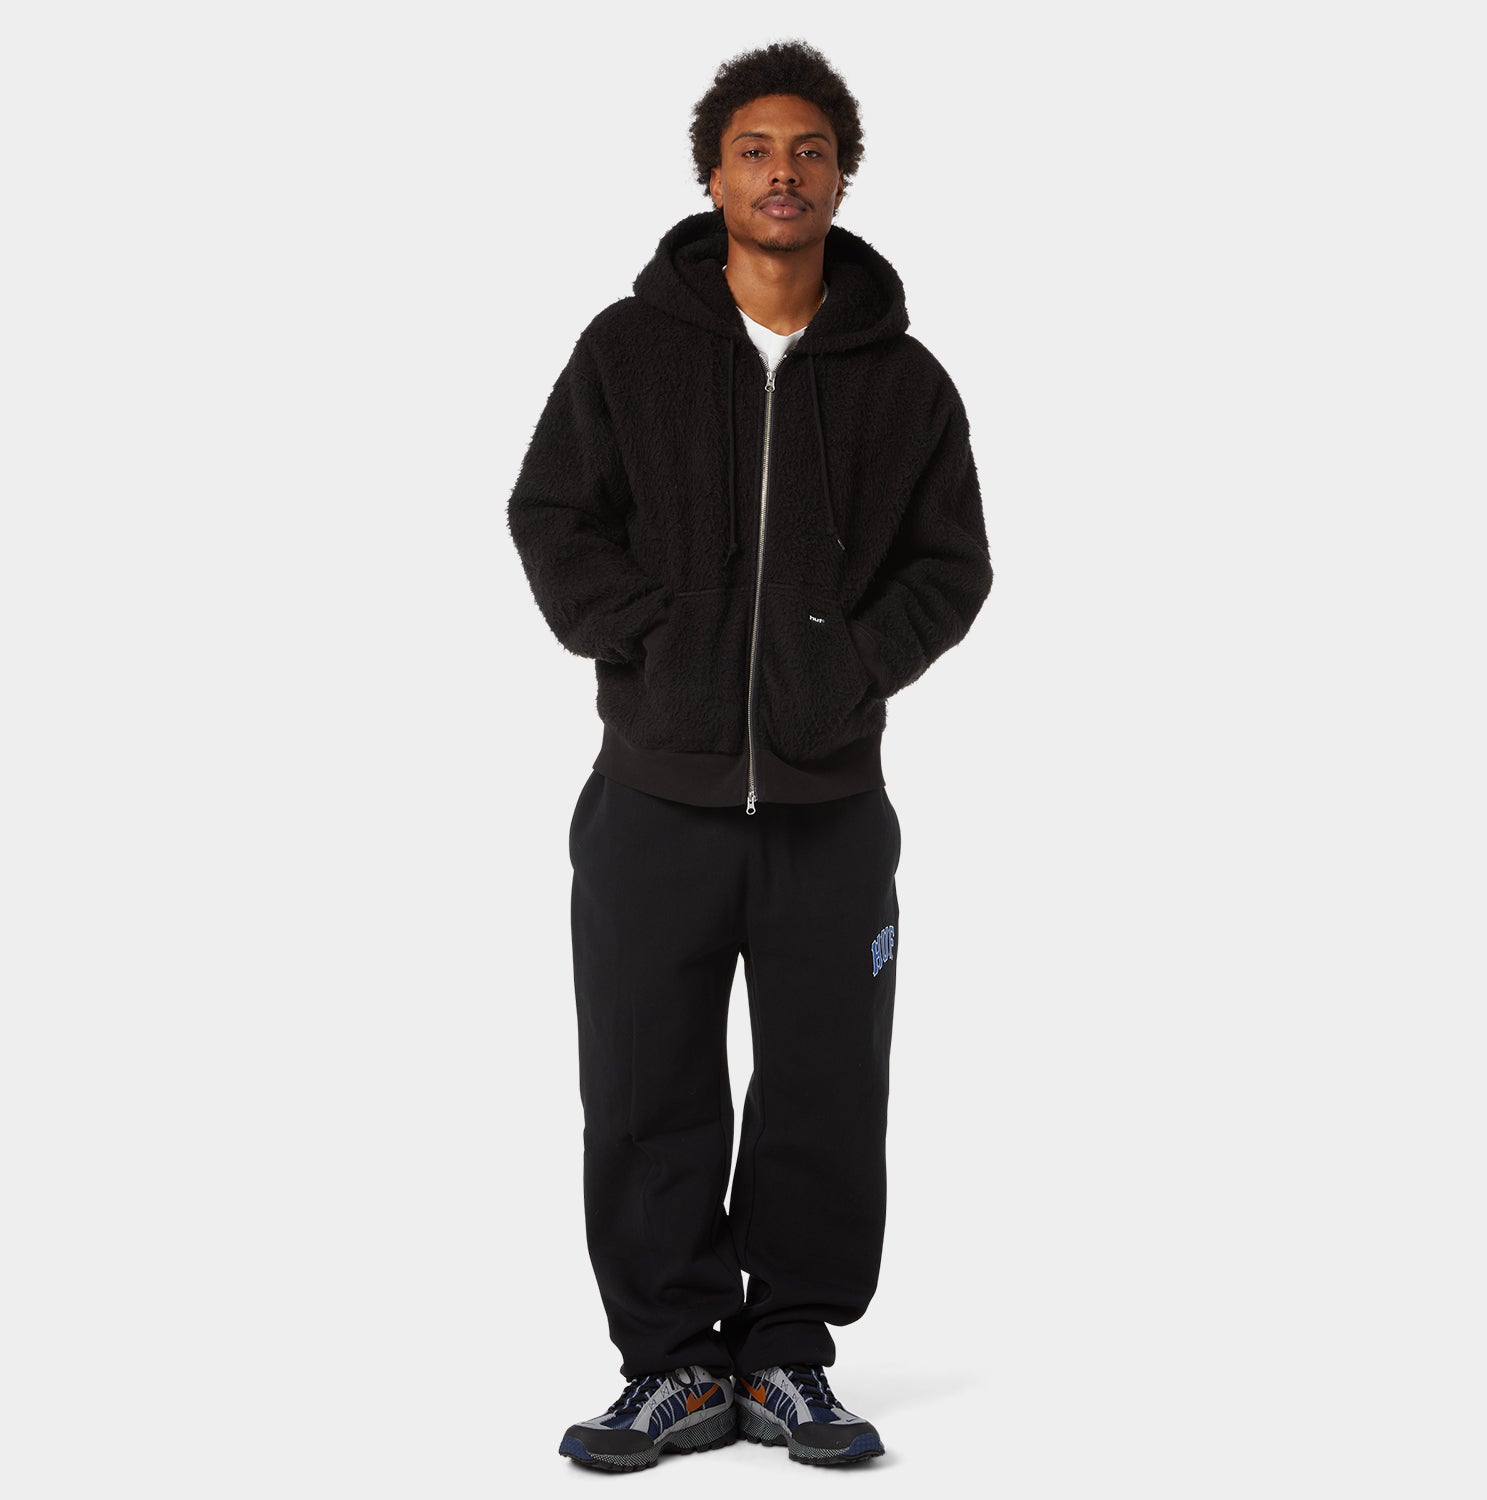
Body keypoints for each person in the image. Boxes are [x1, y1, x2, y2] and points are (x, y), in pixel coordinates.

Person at [506, 38, 993, 1473]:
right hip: (653, 793)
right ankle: (671, 1364)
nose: (784, 173)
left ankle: (786, 1358)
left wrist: (845, 668)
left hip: (832, 805)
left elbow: (952, 566)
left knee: (826, 1089)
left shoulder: (904, 381)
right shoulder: (628, 349)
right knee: (643, 1083)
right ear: (712, 175)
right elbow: (552, 516)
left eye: (811, 150)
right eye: (756, 150)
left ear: (843, 175)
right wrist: (652, 642)